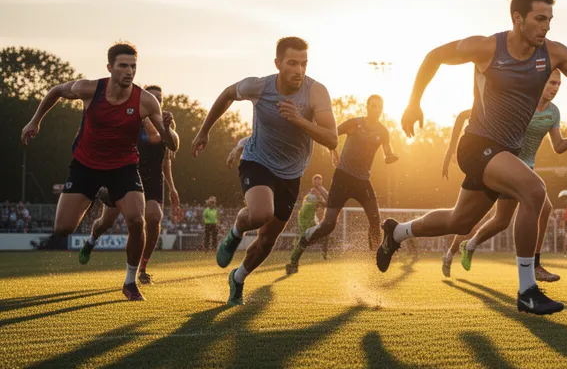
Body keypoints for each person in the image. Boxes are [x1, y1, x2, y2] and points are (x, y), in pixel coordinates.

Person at [376, 0, 567, 315]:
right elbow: (434, 57)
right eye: (540, 19)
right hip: (477, 145)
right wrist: (413, 103)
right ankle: (527, 289)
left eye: (550, 20)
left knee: (460, 220)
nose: (546, 26)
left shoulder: (553, 53)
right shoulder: (486, 48)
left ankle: (396, 233)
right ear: (518, 18)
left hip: (506, 154)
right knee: (534, 190)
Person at [21, 42, 178, 300]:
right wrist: (34, 120)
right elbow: (56, 90)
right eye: (123, 66)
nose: (129, 71)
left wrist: (169, 129)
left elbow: (171, 144)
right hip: (86, 166)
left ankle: (130, 281)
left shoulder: (146, 101)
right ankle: (100, 194)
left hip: (124, 168)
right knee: (63, 228)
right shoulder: (89, 89)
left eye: (133, 66)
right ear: (110, 67)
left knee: (137, 221)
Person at [191, 36, 337, 305]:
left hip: (291, 174)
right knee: (261, 213)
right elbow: (227, 94)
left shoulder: (316, 91)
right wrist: (204, 130)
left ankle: (238, 278)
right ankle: (235, 233)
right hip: (257, 161)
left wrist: (299, 120)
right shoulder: (258, 86)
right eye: (292, 63)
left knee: (267, 241)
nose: (299, 70)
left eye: (304, 64)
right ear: (278, 63)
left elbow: (332, 138)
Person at [442, 70, 567, 280]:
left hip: (526, 170)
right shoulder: (518, 103)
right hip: (499, 163)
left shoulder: (553, 113)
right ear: (539, 82)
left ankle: (470, 245)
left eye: (558, 84)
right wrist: (450, 150)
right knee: (472, 217)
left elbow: (558, 147)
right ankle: (454, 253)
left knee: (501, 221)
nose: (555, 88)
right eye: (551, 83)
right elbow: (464, 115)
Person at [78, 85, 181, 285]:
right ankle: (91, 241)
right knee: (105, 223)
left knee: (154, 218)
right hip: (126, 175)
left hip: (153, 178)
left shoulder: (166, 124)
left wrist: (172, 187)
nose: (157, 101)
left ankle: (142, 267)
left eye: (160, 98)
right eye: (153, 97)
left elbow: (166, 159)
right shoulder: (131, 120)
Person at [289, 95, 398, 270]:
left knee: (376, 220)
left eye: (379, 107)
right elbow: (331, 135)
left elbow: (388, 152)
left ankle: (377, 260)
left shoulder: (383, 131)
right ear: (367, 106)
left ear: (382, 109)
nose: (376, 109)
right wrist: (333, 152)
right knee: (328, 225)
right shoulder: (355, 123)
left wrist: (391, 157)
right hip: (343, 177)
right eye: (373, 106)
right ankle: (301, 246)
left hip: (363, 181)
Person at [286, 175, 330, 273]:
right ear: (313, 181)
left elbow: (328, 202)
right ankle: (293, 263)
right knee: (303, 242)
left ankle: (324, 252)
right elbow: (306, 204)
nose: (317, 182)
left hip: (312, 221)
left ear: (321, 181)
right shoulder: (310, 193)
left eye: (319, 180)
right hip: (303, 220)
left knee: (307, 241)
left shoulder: (321, 193)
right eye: (315, 180)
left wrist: (320, 195)